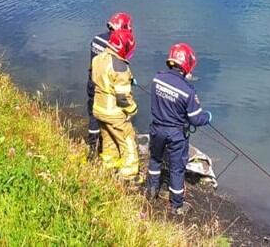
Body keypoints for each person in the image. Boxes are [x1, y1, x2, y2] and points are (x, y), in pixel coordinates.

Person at [145, 43, 211, 214]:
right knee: (177, 168)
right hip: (176, 133)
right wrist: (208, 117)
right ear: (187, 65)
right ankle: (176, 206)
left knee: (155, 159)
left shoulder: (157, 78)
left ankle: (151, 191)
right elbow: (196, 119)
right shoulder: (188, 91)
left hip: (157, 127)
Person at [92, 27, 140, 179]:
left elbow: (104, 76)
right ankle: (129, 174)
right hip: (113, 112)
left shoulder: (98, 58)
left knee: (108, 138)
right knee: (127, 139)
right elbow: (122, 98)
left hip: (98, 108)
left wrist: (129, 78)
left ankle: (109, 166)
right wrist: (133, 109)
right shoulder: (120, 67)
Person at [86, 12, 133, 158]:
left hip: (92, 80)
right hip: (107, 86)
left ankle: (92, 148)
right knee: (112, 115)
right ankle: (118, 149)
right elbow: (118, 67)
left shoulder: (96, 39)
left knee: (94, 115)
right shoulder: (116, 45)